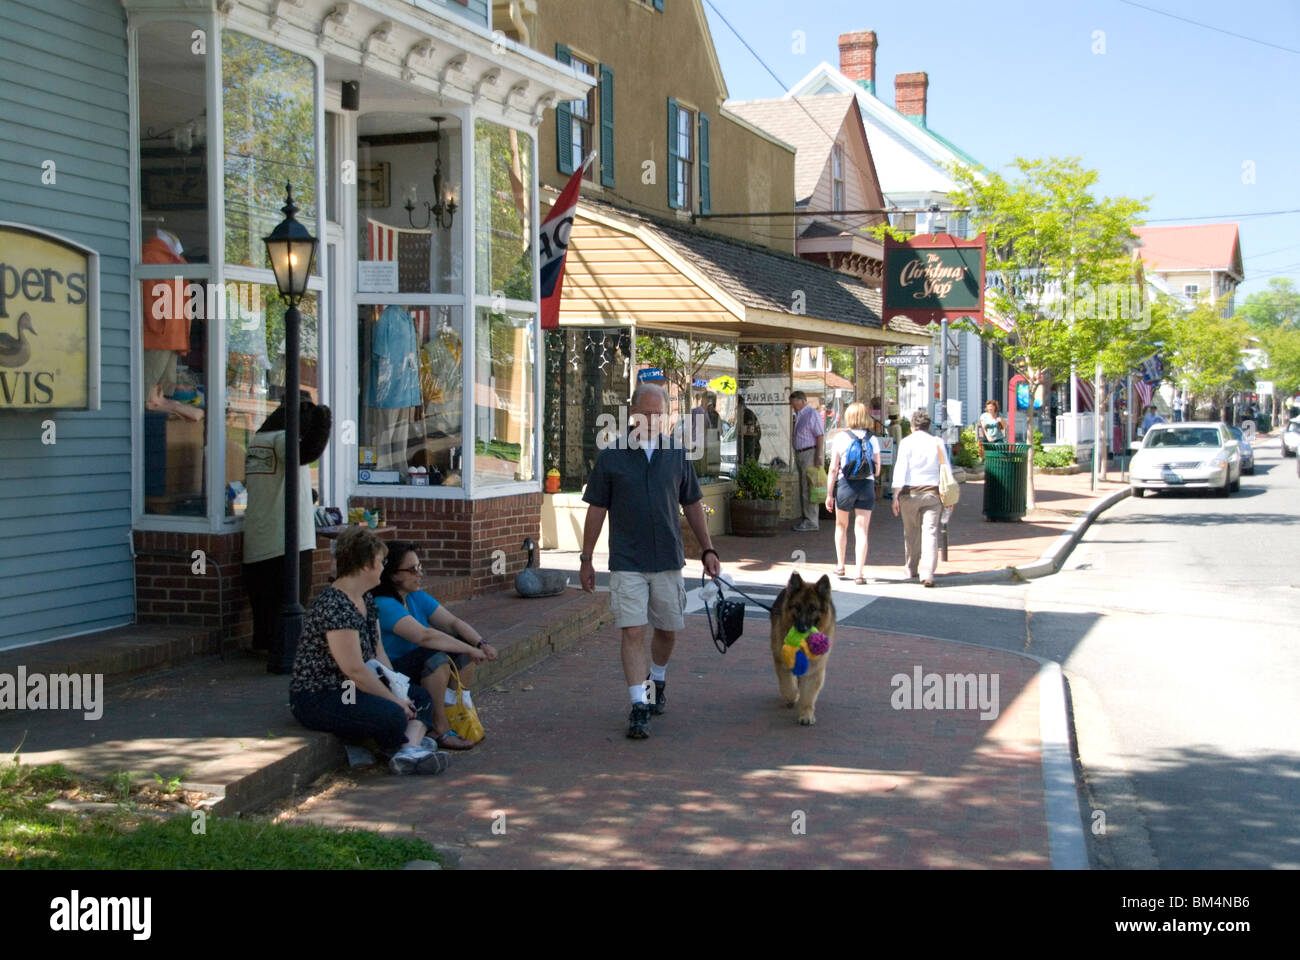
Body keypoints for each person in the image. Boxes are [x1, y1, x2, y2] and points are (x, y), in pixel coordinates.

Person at [579, 383, 721, 739]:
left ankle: (657, 679)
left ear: (666, 417)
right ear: (631, 414)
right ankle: (638, 705)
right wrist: (586, 558)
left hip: (668, 558)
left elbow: (692, 504)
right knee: (633, 630)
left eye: (657, 414)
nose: (650, 420)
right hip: (626, 559)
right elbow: (596, 509)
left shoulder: (676, 454)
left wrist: (708, 549)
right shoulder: (612, 456)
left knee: (667, 629)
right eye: (644, 413)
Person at [289, 527, 450, 776]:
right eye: (380, 562)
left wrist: (398, 688)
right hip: (325, 694)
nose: (383, 568)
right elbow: (354, 669)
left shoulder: (366, 600)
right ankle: (409, 747)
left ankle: (406, 751)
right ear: (365, 565)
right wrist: (393, 700)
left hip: (356, 686)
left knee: (419, 697)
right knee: (393, 714)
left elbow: (379, 655)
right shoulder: (335, 605)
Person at [373, 542, 495, 751]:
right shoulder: (384, 604)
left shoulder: (415, 595)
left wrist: (479, 643)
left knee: (460, 648)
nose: (419, 574)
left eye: (419, 567)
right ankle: (440, 728)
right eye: (412, 569)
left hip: (415, 662)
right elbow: (424, 636)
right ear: (393, 575)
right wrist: (467, 648)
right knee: (437, 658)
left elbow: (452, 623)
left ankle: (455, 714)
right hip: (392, 673)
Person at [244, 392, 332, 673]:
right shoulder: (284, 440)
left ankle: (265, 644)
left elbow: (274, 481)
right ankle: (283, 653)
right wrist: (323, 422)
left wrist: (308, 493)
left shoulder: (259, 441)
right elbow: (307, 453)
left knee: (264, 603)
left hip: (259, 535)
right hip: (288, 537)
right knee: (291, 600)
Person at [890, 408, 952, 588]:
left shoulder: (906, 442)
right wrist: (949, 497)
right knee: (930, 533)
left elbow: (901, 468)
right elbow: (945, 469)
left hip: (910, 493)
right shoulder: (937, 442)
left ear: (913, 426)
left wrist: (895, 495)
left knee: (911, 532)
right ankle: (928, 573)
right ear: (927, 426)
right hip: (933, 493)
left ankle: (911, 567)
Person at [824, 402, 881, 585]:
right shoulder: (873, 439)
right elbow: (877, 470)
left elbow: (833, 468)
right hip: (866, 485)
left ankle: (840, 565)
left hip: (845, 485)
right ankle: (859, 572)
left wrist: (829, 494)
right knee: (862, 530)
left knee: (841, 526)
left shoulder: (841, 438)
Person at [790, 390, 825, 532]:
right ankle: (807, 518)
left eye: (794, 403)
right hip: (801, 453)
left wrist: (818, 455)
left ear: (802, 401)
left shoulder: (812, 414)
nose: (793, 406)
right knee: (804, 487)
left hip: (809, 453)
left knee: (808, 487)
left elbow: (820, 435)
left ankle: (811, 521)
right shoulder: (799, 415)